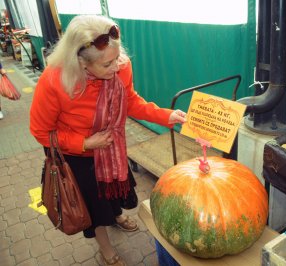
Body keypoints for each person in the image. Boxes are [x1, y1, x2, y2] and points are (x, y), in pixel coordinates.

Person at [30, 15, 186, 266]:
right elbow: (40, 131)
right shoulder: (53, 81)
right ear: (80, 63)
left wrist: (166, 115)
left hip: (110, 150)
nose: (117, 67)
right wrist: (85, 143)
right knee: (94, 208)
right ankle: (105, 247)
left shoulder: (120, 65)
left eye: (117, 58)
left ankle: (116, 215)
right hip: (78, 159)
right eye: (107, 65)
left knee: (112, 194)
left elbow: (131, 101)